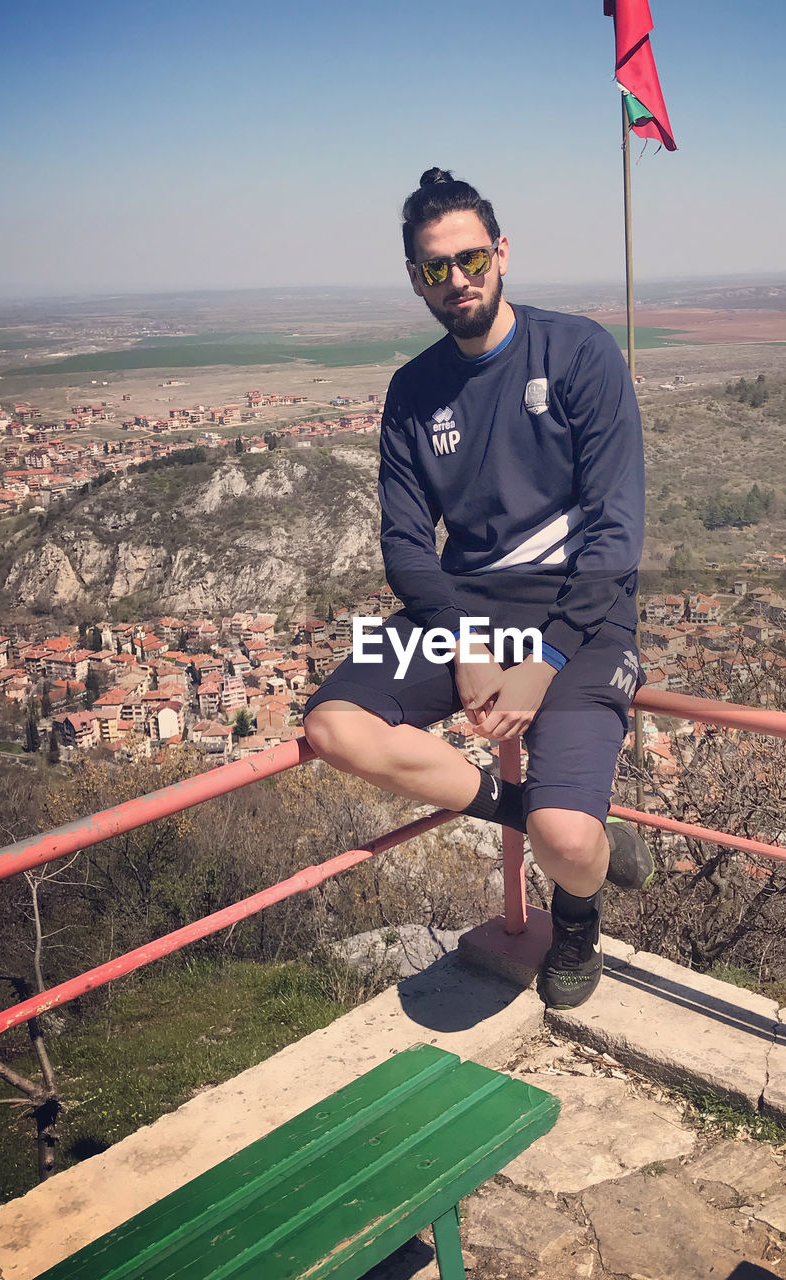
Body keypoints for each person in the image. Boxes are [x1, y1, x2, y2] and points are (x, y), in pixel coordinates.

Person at [303, 168, 649, 1009]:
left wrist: (545, 660)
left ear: (501, 253)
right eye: (433, 268)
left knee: (568, 844)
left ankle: (576, 914)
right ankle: (523, 807)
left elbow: (616, 530)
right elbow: (405, 540)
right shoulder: (414, 391)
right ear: (415, 278)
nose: (455, 279)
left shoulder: (576, 351)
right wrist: (464, 642)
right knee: (333, 728)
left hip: (582, 613)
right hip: (462, 607)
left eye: (469, 259)